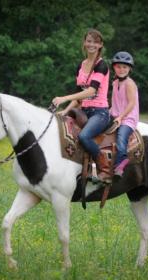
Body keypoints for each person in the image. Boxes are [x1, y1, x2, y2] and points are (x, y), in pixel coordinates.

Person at [52, 29, 111, 182]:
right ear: (84, 43)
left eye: (95, 42)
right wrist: (65, 111)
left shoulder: (102, 65)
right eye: (89, 41)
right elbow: (79, 96)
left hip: (100, 113)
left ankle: (104, 167)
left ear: (100, 45)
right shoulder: (81, 65)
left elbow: (91, 91)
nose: (91, 44)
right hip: (83, 111)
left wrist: (64, 98)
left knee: (84, 136)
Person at [110, 51, 139, 177]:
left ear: (129, 69)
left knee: (121, 137)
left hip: (127, 118)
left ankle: (121, 162)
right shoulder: (115, 83)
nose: (121, 69)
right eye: (118, 66)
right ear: (114, 68)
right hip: (115, 116)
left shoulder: (130, 84)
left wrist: (121, 117)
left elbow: (131, 103)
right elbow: (115, 102)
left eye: (124, 67)